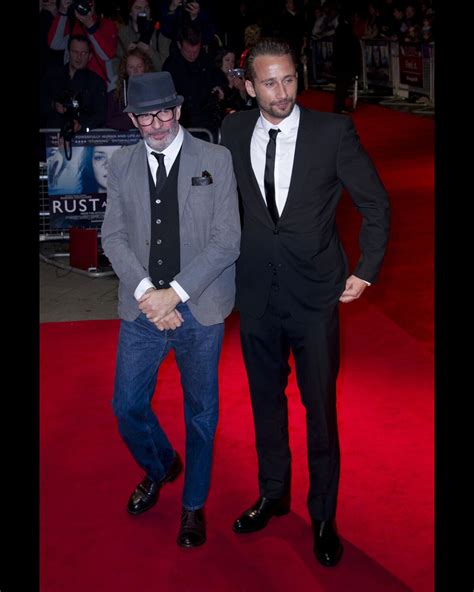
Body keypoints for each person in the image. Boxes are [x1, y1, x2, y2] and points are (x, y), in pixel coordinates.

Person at [220, 39, 390, 567]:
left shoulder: (332, 132)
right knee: (264, 404)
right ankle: (273, 494)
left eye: (290, 79)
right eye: (269, 82)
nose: (282, 92)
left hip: (315, 296)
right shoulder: (232, 130)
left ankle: (322, 514)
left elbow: (375, 204)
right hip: (256, 295)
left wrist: (365, 270)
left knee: (320, 408)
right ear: (249, 86)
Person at [101, 71, 241, 548]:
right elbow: (112, 237)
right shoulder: (120, 166)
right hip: (141, 308)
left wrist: (174, 294)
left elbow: (228, 242)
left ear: (179, 111)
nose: (157, 123)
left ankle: (193, 507)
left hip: (199, 308)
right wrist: (148, 293)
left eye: (164, 112)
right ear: (134, 119)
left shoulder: (216, 159)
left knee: (202, 414)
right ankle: (161, 465)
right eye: (145, 115)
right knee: (126, 407)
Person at [106, 47, 154, 131]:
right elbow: (107, 122)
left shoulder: (155, 92)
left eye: (139, 66)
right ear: (125, 70)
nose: (135, 71)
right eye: (131, 67)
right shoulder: (114, 95)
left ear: (145, 67)